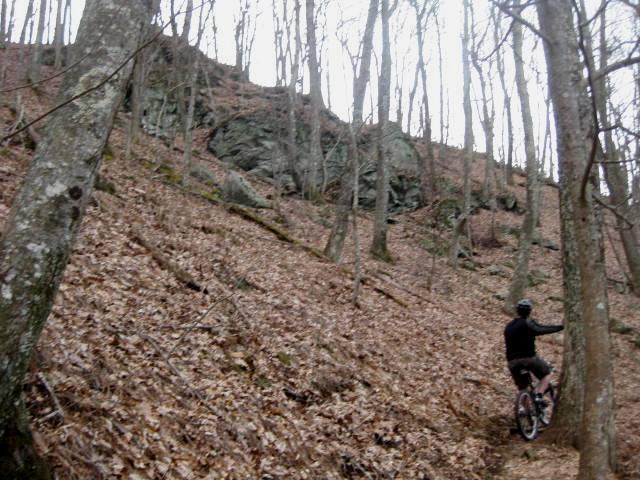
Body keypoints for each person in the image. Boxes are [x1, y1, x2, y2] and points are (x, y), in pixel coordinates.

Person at [504, 299, 564, 406]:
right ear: (530, 311)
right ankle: (539, 395)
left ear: (517, 311)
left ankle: (525, 412)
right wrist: (559, 328)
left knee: (523, 388)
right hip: (528, 359)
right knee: (547, 374)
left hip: (512, 362)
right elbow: (541, 329)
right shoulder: (528, 323)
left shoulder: (509, 326)